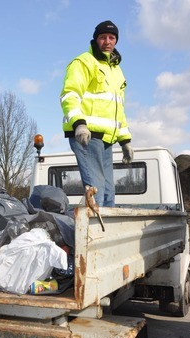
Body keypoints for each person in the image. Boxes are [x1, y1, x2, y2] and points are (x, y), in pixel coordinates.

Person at [60, 20, 133, 207]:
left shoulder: (116, 70)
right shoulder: (83, 62)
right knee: (97, 194)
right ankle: (91, 235)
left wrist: (125, 140)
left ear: (116, 40)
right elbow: (70, 94)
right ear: (96, 39)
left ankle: (105, 235)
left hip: (107, 140)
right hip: (88, 135)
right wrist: (79, 124)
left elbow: (118, 109)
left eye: (112, 37)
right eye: (103, 37)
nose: (107, 41)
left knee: (108, 196)